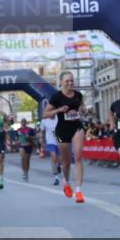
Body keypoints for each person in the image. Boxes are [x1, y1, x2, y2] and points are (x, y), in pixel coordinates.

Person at [43, 71, 88, 203]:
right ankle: (66, 182)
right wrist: (58, 110)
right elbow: (45, 114)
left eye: (71, 81)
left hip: (77, 128)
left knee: (78, 157)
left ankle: (78, 191)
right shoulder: (56, 97)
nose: (70, 83)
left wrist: (83, 110)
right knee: (66, 162)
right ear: (61, 82)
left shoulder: (78, 95)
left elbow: (82, 106)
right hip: (62, 130)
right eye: (67, 81)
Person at [40, 103, 62, 185]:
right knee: (53, 156)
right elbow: (42, 132)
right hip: (50, 141)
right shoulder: (44, 121)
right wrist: (41, 141)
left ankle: (59, 165)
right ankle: (56, 178)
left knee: (60, 159)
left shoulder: (59, 118)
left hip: (59, 141)